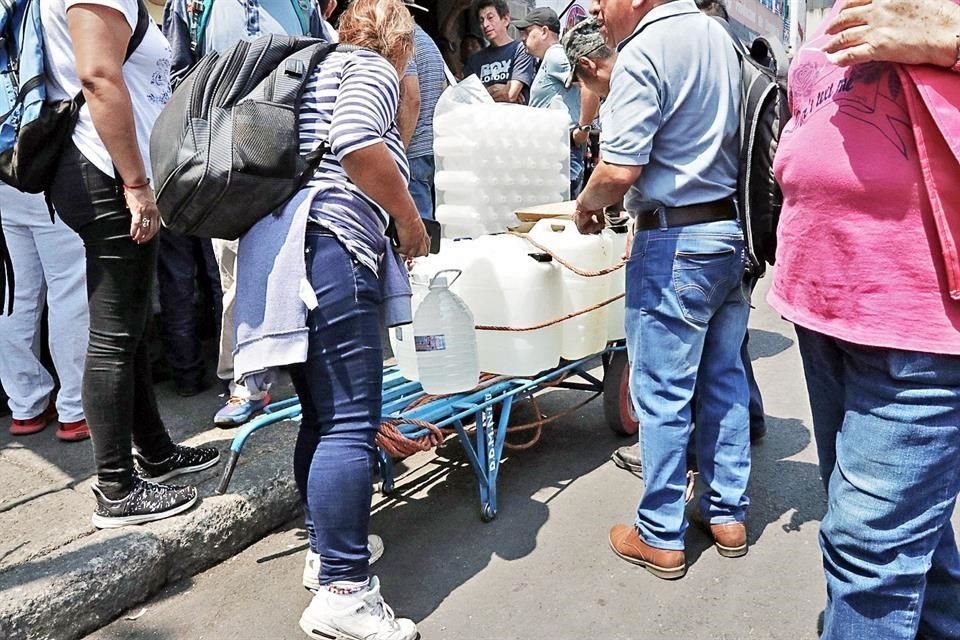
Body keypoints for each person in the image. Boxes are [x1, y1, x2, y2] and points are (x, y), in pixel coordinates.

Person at [233, 0, 429, 636]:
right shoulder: (370, 69)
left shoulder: (321, 65)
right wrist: (408, 217)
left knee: (322, 415)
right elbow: (355, 146)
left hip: (294, 257)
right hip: (335, 250)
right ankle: (345, 593)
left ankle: (327, 553)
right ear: (400, 38)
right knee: (352, 419)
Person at [769, 0, 960, 635]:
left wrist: (952, 36)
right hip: (825, 306)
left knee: (867, 551)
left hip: (921, 324)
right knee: (911, 541)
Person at [578, 0, 750, 579]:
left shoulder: (645, 50)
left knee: (663, 394)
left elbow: (619, 169)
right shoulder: (719, 38)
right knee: (723, 380)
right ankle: (726, 513)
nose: (599, 8)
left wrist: (585, 204)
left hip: (675, 240)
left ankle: (660, 534)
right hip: (728, 232)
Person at [42, 0, 220, 528]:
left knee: (133, 326)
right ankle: (117, 488)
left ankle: (157, 454)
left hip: (100, 169)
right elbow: (98, 77)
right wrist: (136, 183)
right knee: (116, 333)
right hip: (104, 170)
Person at [165, 0, 327, 427]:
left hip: (293, 159)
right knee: (235, 272)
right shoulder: (194, 4)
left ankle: (297, 363)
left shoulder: (301, 4)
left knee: (300, 263)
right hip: (228, 162)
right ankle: (244, 379)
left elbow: (323, 62)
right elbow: (177, 76)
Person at [0, 185, 90, 442]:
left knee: (15, 296)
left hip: (4, 180)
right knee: (70, 290)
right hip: (47, 179)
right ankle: (77, 408)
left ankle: (26, 404)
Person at [517, 7, 600, 198]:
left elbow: (590, 83)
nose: (523, 37)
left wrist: (583, 128)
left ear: (545, 31)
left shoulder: (555, 55)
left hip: (562, 151)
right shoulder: (548, 59)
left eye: (528, 31)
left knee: (560, 216)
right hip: (553, 150)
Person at [397, 24, 446, 219]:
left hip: (414, 149)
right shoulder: (426, 39)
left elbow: (411, 98)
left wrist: (400, 149)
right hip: (430, 146)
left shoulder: (401, 39)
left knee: (417, 229)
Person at [463, 0, 535, 104]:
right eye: (481, 20)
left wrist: (483, 94)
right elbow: (468, 99)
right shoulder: (474, 60)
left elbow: (510, 94)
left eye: (490, 18)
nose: (485, 24)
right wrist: (500, 91)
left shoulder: (521, 50)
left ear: (505, 19)